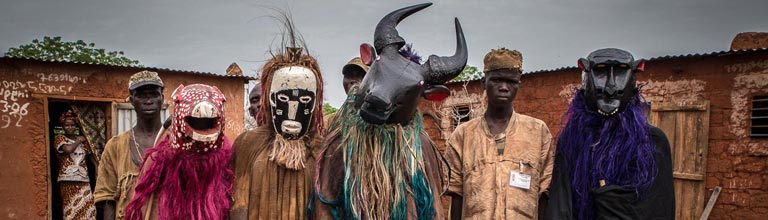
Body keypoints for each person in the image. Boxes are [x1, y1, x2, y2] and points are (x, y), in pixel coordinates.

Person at [545, 48, 675, 220]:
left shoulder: (652, 141)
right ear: (586, 80)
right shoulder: (572, 140)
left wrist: (621, 207)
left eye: (621, 72)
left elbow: (660, 209)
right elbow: (560, 206)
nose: (610, 87)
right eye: (600, 72)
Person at [229, 16, 326, 219]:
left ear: (315, 103)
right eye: (283, 97)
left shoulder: (323, 149)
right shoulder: (249, 143)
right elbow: (239, 203)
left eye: (305, 99)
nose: (292, 111)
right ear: (269, 100)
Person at [444, 48, 555, 219]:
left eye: (511, 81)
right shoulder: (463, 135)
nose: (504, 87)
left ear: (519, 84)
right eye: (496, 80)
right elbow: (456, 195)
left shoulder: (538, 132)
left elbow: (544, 194)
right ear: (484, 82)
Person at [124, 84, 233, 220]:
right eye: (197, 121)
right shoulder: (159, 161)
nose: (202, 126)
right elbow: (143, 208)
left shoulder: (228, 160)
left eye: (207, 122)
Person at [94, 70, 165, 220]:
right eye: (141, 96)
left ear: (162, 99)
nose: (148, 101)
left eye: (154, 94)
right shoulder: (115, 146)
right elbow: (107, 198)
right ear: (132, 100)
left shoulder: (175, 143)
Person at [55, 110, 96, 219]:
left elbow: (90, 155)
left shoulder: (84, 142)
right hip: (67, 180)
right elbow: (68, 149)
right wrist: (78, 140)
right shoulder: (60, 139)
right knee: (71, 208)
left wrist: (97, 168)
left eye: (72, 125)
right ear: (63, 126)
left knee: (88, 207)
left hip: (83, 179)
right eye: (66, 125)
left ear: (76, 126)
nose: (69, 127)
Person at [323, 57, 369, 127]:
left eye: (360, 76)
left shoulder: (380, 124)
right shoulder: (329, 122)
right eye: (349, 76)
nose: (353, 80)